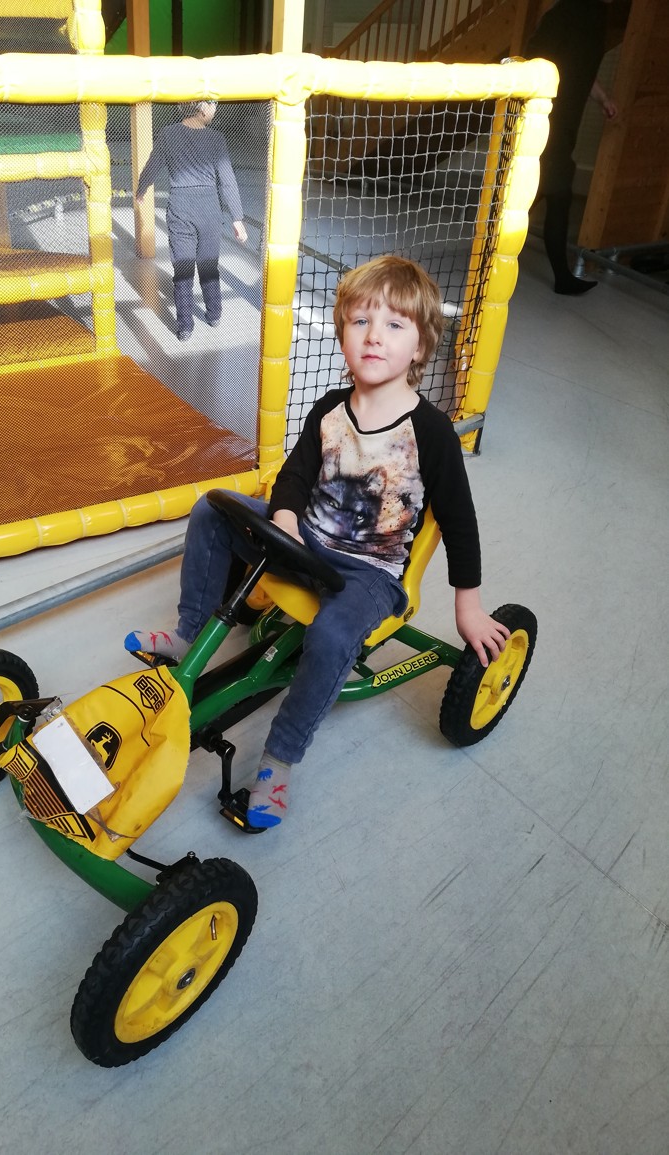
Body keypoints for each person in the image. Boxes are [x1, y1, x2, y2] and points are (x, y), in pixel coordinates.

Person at [125, 255, 510, 828]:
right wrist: (283, 519)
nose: (374, 336)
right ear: (342, 333)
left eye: (394, 325)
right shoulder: (330, 409)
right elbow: (295, 477)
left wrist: (469, 607)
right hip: (303, 541)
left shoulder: (430, 433)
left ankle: (280, 760)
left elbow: (459, 522)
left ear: (420, 347)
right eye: (361, 321)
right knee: (212, 510)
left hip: (368, 573)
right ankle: (187, 634)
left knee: (330, 636)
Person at [526, 0, 618, 294]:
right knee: (558, 194)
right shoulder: (563, 16)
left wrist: (603, 98)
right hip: (545, 120)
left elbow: (581, 68)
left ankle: (487, 247)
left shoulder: (595, 17)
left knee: (536, 194)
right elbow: (534, 64)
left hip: (564, 126)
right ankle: (563, 278)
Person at [135, 100, 248, 341]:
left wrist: (141, 189)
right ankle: (214, 313)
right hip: (209, 210)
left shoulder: (168, 134)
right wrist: (237, 217)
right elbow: (227, 180)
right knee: (208, 265)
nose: (215, 109)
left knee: (183, 268)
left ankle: (185, 326)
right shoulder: (216, 139)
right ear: (203, 108)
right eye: (213, 104)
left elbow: (153, 165)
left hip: (180, 208)